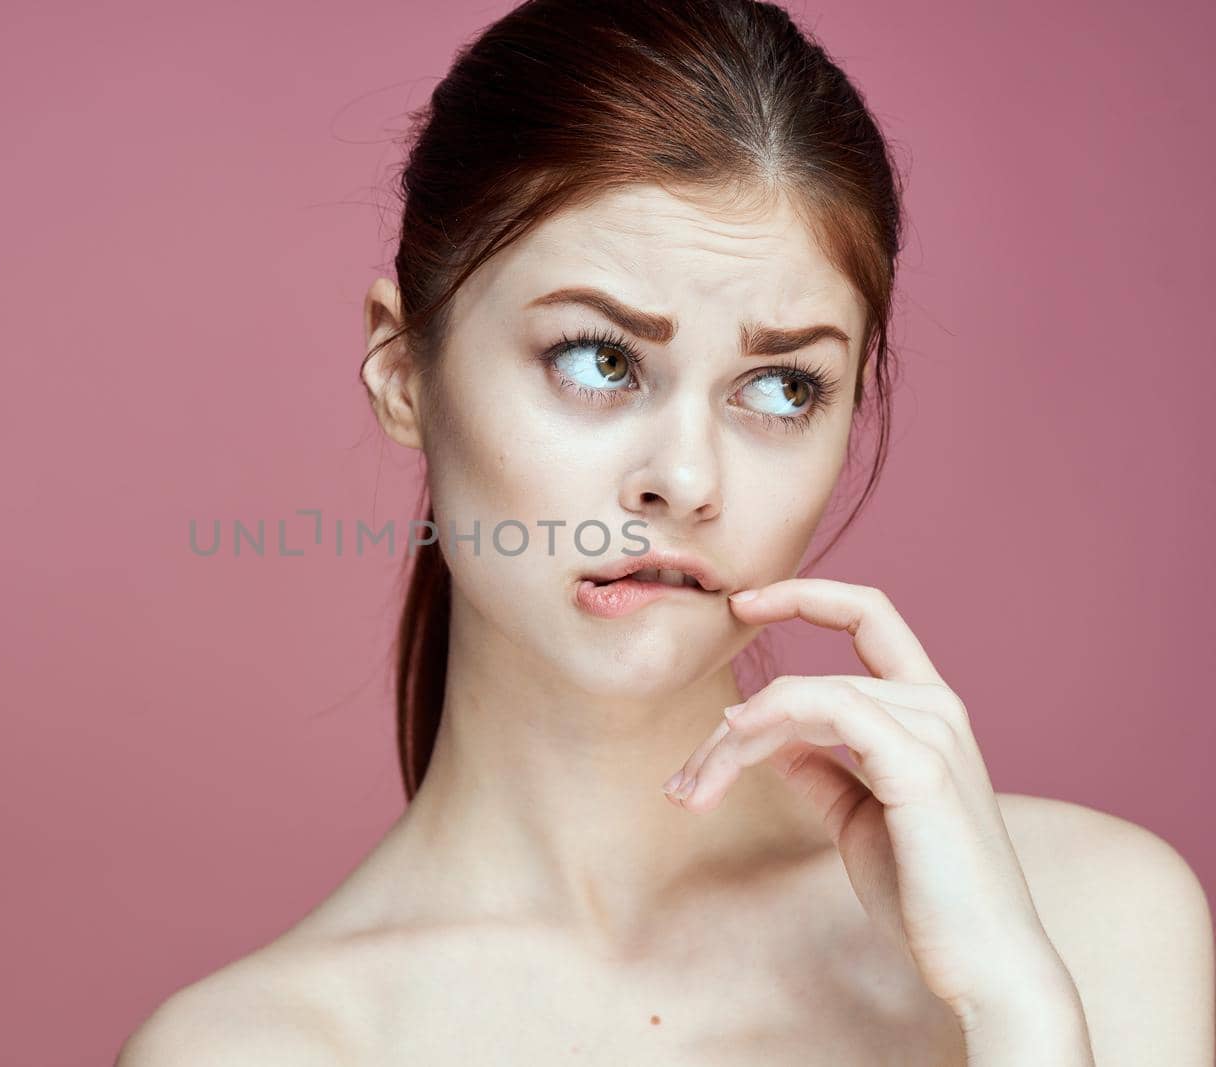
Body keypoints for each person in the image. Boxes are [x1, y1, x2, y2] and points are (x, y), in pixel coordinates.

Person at [118, 0, 1214, 1062]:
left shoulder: (1084, 921)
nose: (686, 479)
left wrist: (1017, 1014)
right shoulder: (254, 1048)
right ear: (402, 371)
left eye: (781, 386)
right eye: (598, 360)